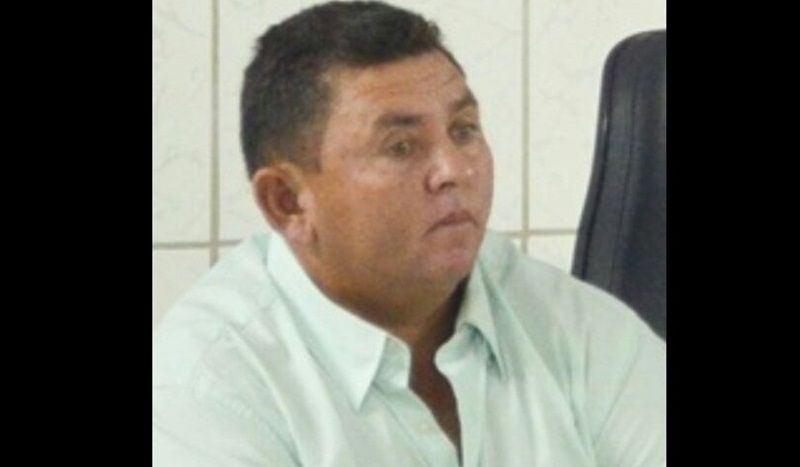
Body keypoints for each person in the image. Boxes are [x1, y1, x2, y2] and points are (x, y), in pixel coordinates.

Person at [152, 2, 666, 466]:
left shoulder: (569, 327)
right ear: (288, 201)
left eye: (463, 130)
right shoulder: (206, 389)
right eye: (401, 147)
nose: (455, 169)